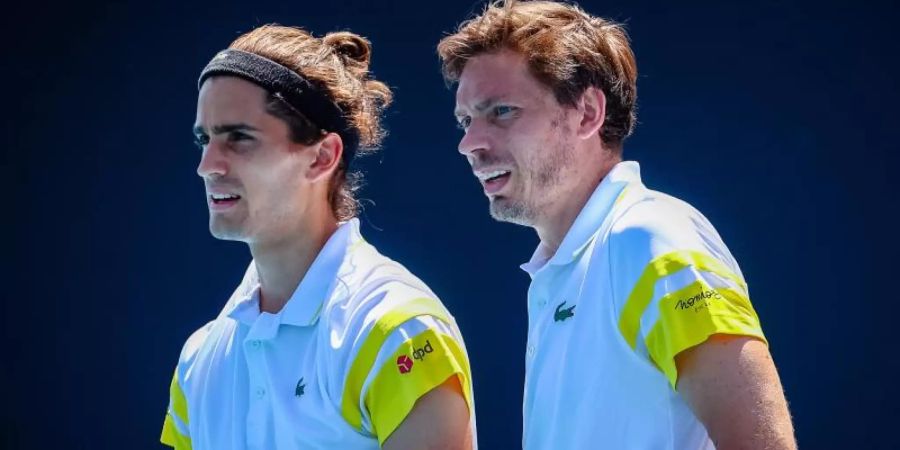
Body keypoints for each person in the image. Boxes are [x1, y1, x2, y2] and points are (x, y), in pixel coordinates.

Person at [438, 1, 795, 448]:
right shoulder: (568, 269)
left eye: (502, 111)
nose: (470, 143)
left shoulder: (651, 240)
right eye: (466, 120)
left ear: (587, 113)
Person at [161, 24, 475, 449]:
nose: (208, 165)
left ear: (322, 157)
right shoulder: (197, 361)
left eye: (239, 138)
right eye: (205, 139)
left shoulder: (399, 330)